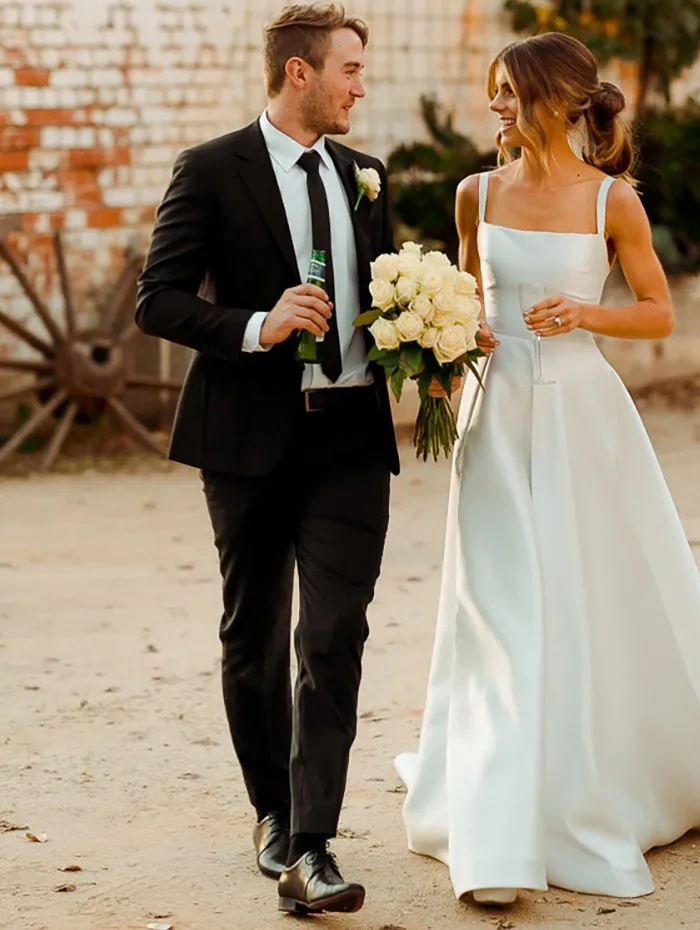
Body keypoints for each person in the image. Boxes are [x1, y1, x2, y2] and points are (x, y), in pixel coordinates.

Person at [394, 31, 700, 907]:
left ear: (556, 100)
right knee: (499, 611)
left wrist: (588, 312)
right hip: (496, 420)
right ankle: (498, 835)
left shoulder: (612, 203)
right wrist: (454, 343)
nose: (497, 110)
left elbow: (660, 313)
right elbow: (469, 301)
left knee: (589, 599)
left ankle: (597, 790)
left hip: (584, 419)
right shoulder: (474, 194)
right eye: (494, 95)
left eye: (510, 94)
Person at [136, 3, 400, 916]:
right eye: (349, 69)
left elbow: (386, 297)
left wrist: (430, 344)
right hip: (246, 441)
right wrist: (257, 325)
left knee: (334, 635)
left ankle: (315, 844)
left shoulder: (367, 175)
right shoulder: (211, 170)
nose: (361, 86)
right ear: (300, 72)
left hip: (352, 442)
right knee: (254, 633)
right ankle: (273, 815)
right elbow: (158, 302)